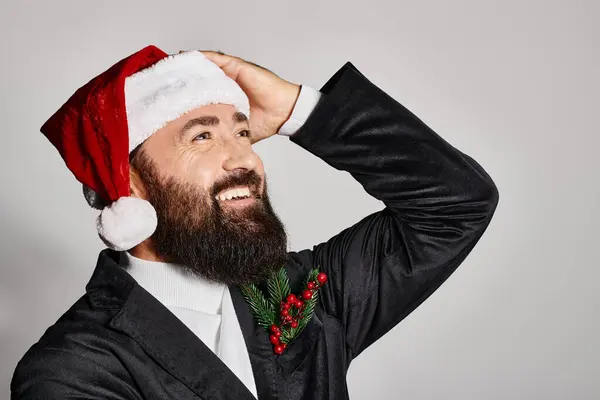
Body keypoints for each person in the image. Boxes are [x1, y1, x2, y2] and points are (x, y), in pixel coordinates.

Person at [11, 45, 499, 399]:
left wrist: (299, 112)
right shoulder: (72, 371)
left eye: (243, 133)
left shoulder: (306, 293)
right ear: (130, 182)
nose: (243, 159)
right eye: (201, 137)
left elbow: (457, 204)